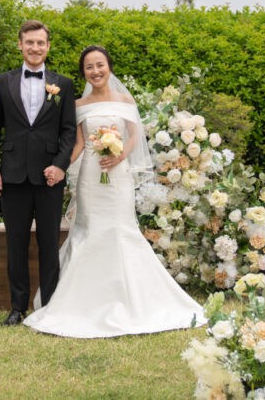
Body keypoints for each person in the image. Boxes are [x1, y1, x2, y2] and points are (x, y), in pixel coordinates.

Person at [24, 45, 206, 338]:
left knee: (122, 231)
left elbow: (134, 136)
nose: (95, 71)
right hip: (90, 179)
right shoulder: (79, 104)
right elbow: (80, 144)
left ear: (109, 66)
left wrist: (120, 156)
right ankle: (80, 304)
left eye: (100, 65)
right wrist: (59, 167)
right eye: (89, 67)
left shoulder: (125, 99)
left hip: (118, 177)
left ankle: (131, 301)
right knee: (89, 231)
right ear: (83, 72)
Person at [0, 20, 77, 326]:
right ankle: (17, 307)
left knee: (49, 243)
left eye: (41, 43)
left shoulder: (63, 84)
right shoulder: (2, 83)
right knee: (16, 243)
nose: (35, 48)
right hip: (12, 175)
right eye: (30, 42)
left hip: (49, 176)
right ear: (20, 45)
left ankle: (49, 307)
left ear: (48, 46)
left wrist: (60, 166)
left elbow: (67, 132)